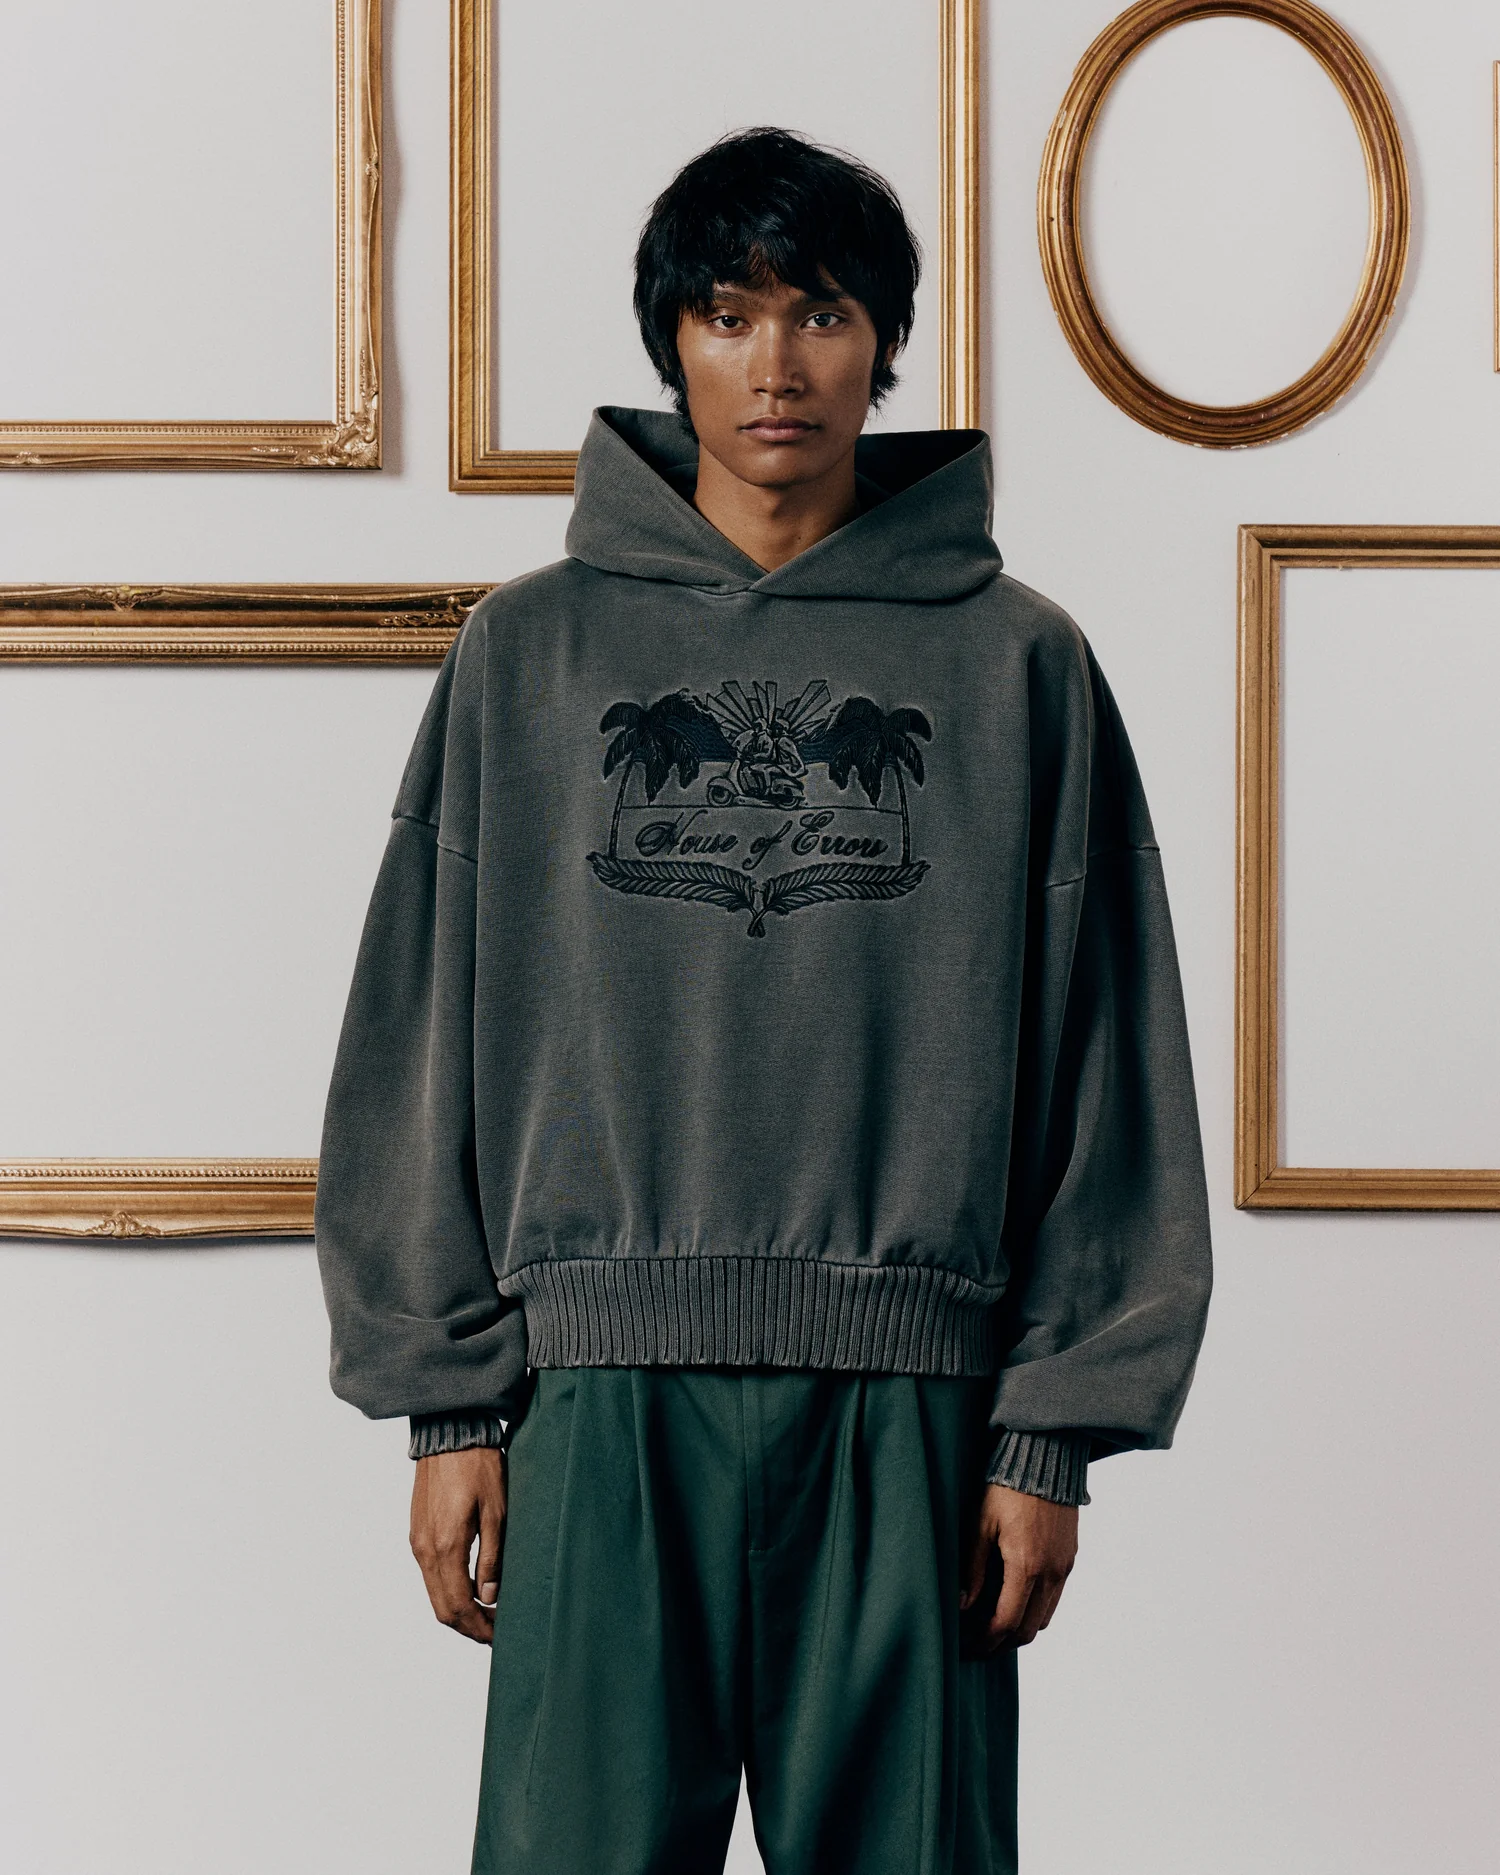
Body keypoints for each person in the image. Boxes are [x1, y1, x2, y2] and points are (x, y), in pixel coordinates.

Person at [314, 126, 1212, 1875]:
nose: (777, 362)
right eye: (729, 314)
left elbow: (1112, 1055)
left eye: (822, 312)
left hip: (914, 1415)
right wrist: (449, 1402)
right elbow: (419, 1027)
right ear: (673, 343)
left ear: (886, 341)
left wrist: (1051, 1429)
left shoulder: (1020, 661)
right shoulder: (529, 655)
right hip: (592, 1409)